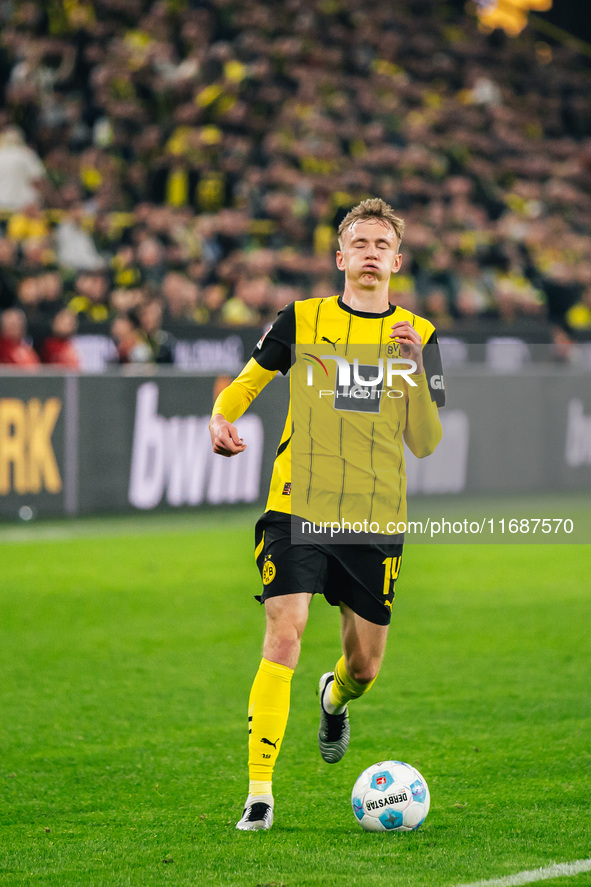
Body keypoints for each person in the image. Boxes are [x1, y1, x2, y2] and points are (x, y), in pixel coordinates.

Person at [209, 198, 445, 832]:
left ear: (397, 260)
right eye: (360, 243)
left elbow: (425, 441)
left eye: (381, 245)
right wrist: (221, 416)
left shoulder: (419, 335)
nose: (371, 253)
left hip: (374, 516)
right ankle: (260, 795)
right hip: (297, 505)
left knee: (364, 667)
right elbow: (248, 382)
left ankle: (334, 696)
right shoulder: (302, 318)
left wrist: (417, 375)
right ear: (341, 258)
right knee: (284, 633)